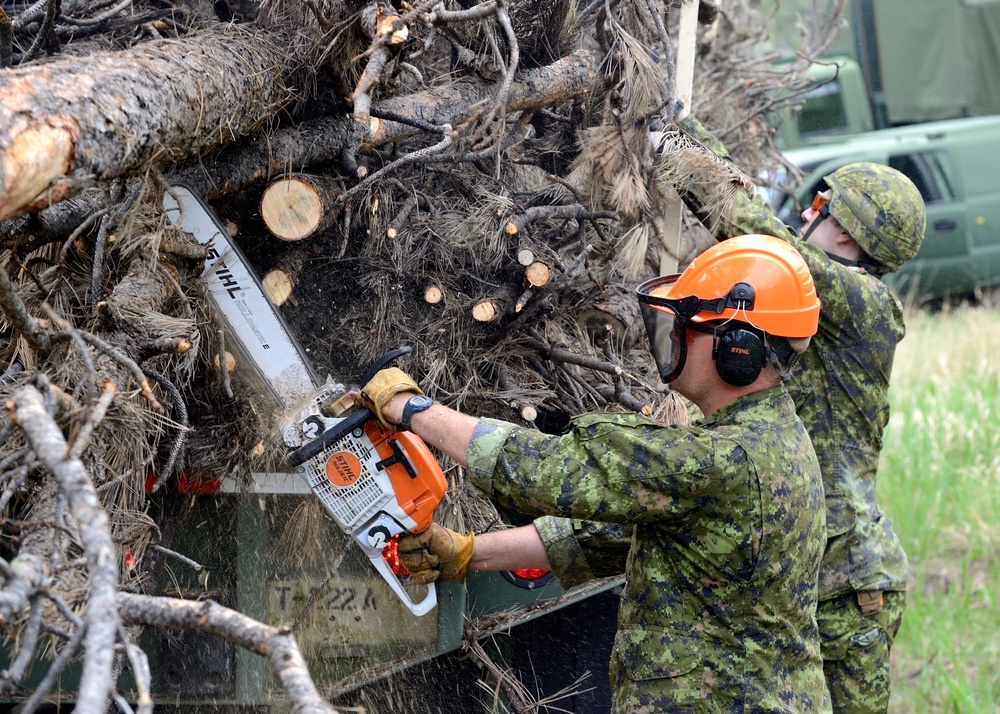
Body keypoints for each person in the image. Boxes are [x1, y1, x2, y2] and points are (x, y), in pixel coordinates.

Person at [357, 235, 832, 713]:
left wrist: (410, 408)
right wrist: (467, 553)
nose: (675, 337)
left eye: (688, 326)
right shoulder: (774, 437)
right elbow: (604, 538)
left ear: (738, 349)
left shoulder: (721, 459)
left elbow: (542, 471)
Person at [661, 108, 926, 714]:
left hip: (849, 581)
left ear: (848, 234)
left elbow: (762, 236)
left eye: (819, 209)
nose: (804, 216)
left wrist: (672, 149)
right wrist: (687, 129)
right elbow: (761, 220)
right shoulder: (829, 297)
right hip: (816, 573)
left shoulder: (864, 304)